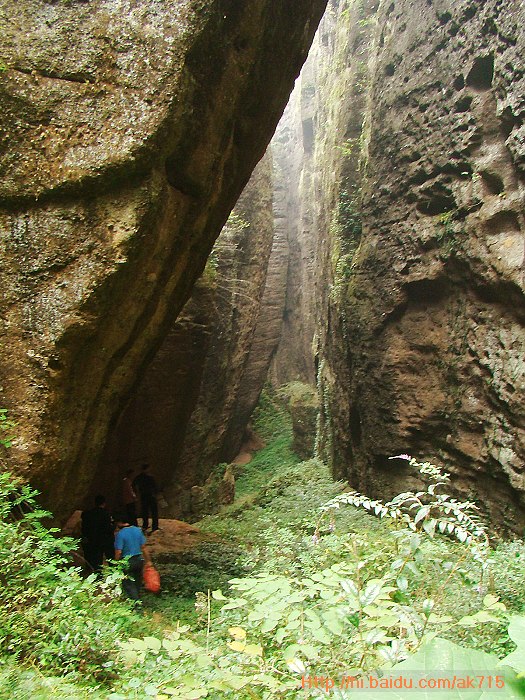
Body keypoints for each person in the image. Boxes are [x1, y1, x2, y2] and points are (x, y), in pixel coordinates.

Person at [114, 514, 152, 601]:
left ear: (119, 523)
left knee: (128, 584)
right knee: (137, 582)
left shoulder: (120, 534)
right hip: (139, 560)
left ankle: (136, 604)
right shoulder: (137, 530)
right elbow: (143, 547)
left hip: (127, 562)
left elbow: (118, 552)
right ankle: (137, 600)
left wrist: (116, 564)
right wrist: (148, 561)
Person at [81, 495, 115, 575]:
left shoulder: (89, 514)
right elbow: (109, 528)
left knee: (97, 561)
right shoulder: (106, 514)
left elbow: (85, 528)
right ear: (104, 503)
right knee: (110, 559)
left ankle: (98, 577)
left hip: (94, 540)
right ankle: (114, 575)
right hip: (106, 540)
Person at [133, 464, 159, 532]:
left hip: (143, 496)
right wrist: (156, 494)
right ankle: (155, 526)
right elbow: (154, 487)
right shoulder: (150, 477)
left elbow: (133, 485)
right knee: (154, 511)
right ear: (147, 469)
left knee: (145, 511)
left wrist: (136, 492)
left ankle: (145, 525)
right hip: (150, 495)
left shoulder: (138, 477)